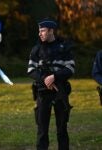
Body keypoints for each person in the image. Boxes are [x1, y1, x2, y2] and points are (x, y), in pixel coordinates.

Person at [27, 18, 75, 150]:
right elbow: (31, 70)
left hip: (61, 92)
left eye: (42, 31)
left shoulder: (64, 48)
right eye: (39, 31)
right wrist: (45, 79)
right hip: (42, 93)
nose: (40, 33)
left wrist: (54, 77)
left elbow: (70, 69)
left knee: (62, 130)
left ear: (51, 31)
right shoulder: (36, 49)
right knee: (42, 131)